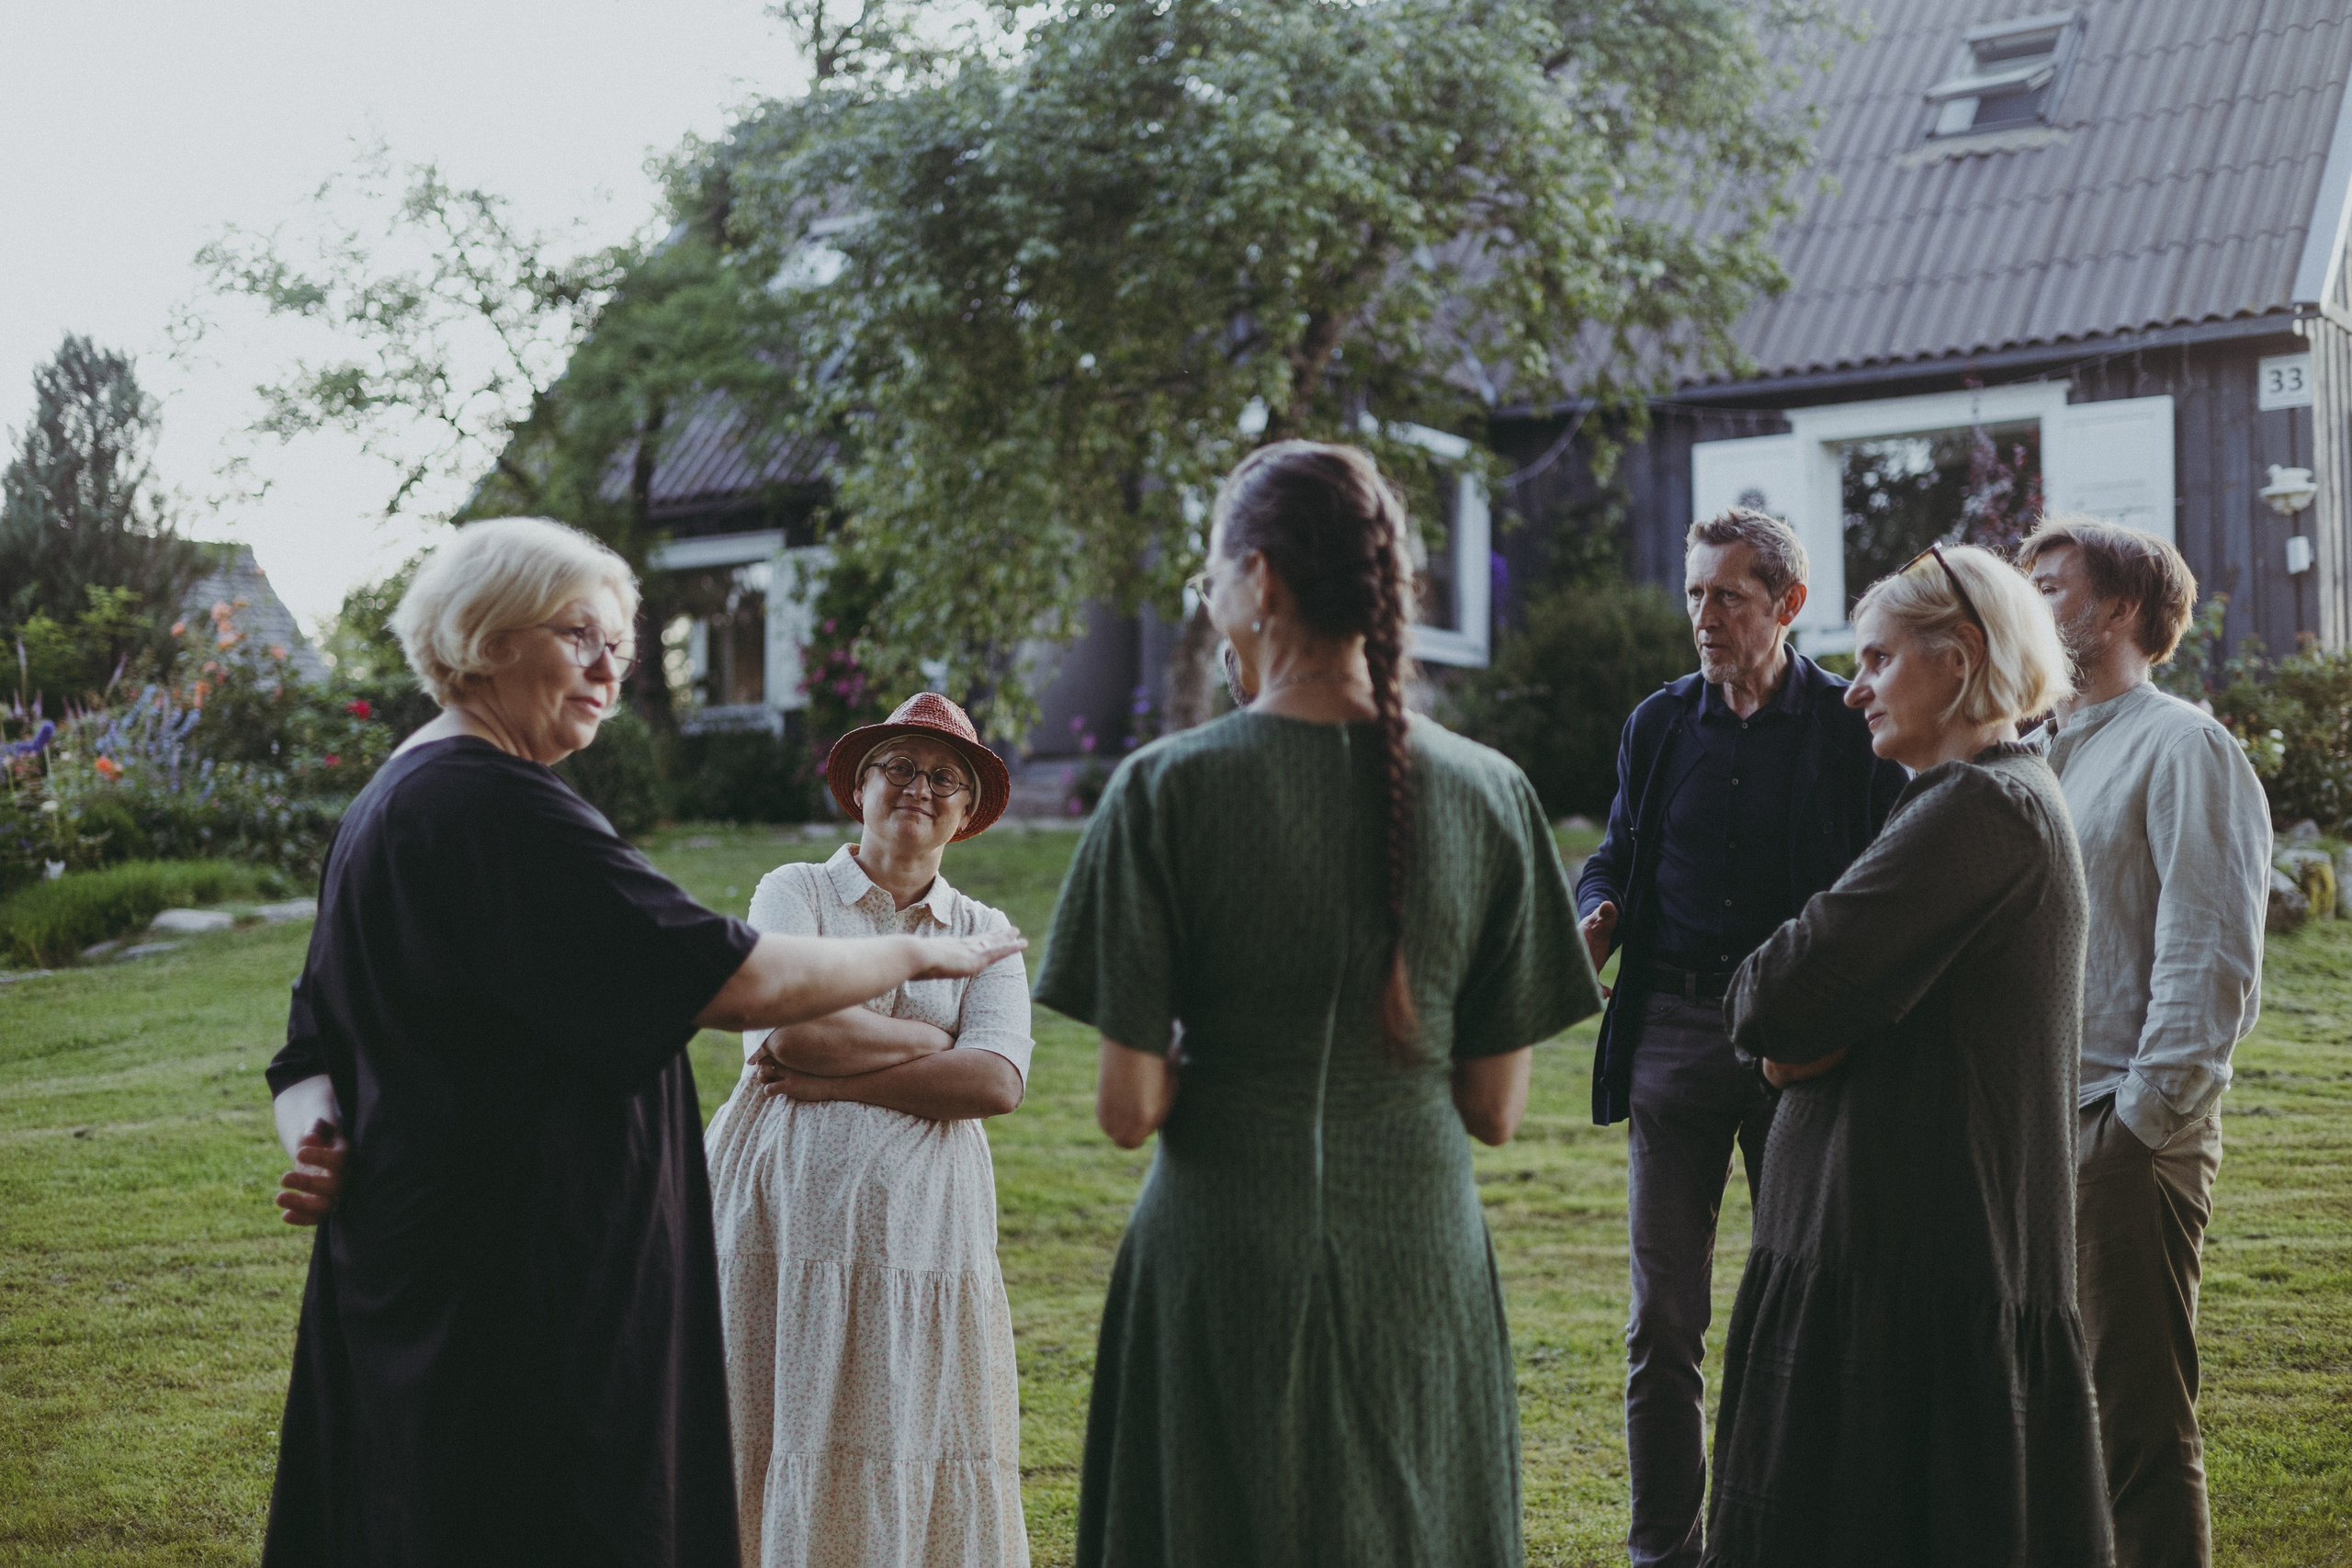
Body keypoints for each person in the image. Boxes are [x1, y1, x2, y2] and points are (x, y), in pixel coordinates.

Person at [261, 517, 1023, 1568]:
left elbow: (307, 1054)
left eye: (620, 646)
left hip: (429, 1266)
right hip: (516, 1291)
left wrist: (319, 1139)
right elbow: (737, 979)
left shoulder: (392, 797)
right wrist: (921, 961)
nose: (609, 669)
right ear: (482, 636)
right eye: (581, 636)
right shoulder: (493, 804)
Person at [1032, 441, 1602, 1568]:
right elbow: (1493, 1109)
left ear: (1261, 581)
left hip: (1219, 1253)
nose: (1210, 604)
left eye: (1207, 580)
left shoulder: (1164, 791)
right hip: (1419, 1259)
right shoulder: (1492, 794)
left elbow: (1126, 1108)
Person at [1705, 543, 2111, 1567]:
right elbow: (1800, 1016)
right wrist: (1797, 1041)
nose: (1853, 692)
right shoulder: (1970, 799)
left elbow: (1773, 998)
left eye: (1879, 659)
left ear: (1962, 657)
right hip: (1890, 1271)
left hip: (1906, 1289)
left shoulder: (1982, 809)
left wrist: (1795, 1041)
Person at [1573, 509, 1905, 1568]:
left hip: (1802, 1050)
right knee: (1662, 1322)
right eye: (1692, 594)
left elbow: (1880, 882)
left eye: (1727, 597)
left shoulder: (1849, 725)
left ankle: (1779, 1539)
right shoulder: (1659, 723)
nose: (1703, 618)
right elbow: (1616, 851)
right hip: (1669, 1032)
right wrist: (1600, 910)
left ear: (1788, 605)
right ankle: (1663, 1553)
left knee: (1795, 1315)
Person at [704, 691, 1033, 1568]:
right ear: (861, 788)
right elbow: (791, 1027)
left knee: (906, 1420)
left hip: (923, 1238)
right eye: (899, 767)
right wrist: (932, 1039)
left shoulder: (988, 935)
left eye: (943, 778)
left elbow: (996, 1080)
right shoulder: (795, 890)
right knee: (765, 1415)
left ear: (967, 814)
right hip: (778, 1224)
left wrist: (824, 1066)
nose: (918, 788)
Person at [2020, 518, 2270, 1568]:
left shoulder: (2183, 747)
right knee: (2043, 1422)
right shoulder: (2035, 753)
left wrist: (2135, 1127)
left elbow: (2208, 958)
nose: (2029, 604)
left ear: (2119, 610)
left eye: (2051, 587)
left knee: (2133, 1426)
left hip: (2120, 1134)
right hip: (2026, 1130)